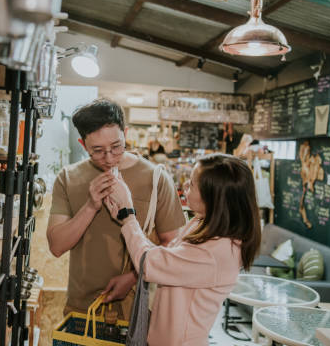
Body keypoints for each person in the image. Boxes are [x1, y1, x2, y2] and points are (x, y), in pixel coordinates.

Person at [47, 99, 186, 318]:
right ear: (83, 145)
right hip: (82, 311)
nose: (109, 158)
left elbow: (174, 245)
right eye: (98, 150)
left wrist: (133, 276)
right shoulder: (68, 178)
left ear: (126, 133)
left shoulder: (156, 178)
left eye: (116, 147)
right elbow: (56, 246)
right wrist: (91, 206)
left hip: (137, 313)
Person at [104, 153, 262, 346]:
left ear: (213, 197)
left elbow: (151, 263)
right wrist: (125, 218)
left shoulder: (216, 252)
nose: (185, 186)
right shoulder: (201, 222)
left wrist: (128, 215)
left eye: (192, 184)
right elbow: (167, 260)